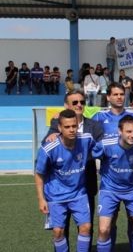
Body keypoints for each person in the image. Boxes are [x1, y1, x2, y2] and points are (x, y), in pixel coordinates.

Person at [43, 90, 104, 251]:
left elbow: (100, 149)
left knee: (85, 226)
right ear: (66, 106)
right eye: (74, 102)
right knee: (61, 228)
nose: (79, 105)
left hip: (85, 184)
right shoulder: (56, 124)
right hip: (61, 188)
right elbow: (47, 146)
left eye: (82, 102)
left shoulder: (94, 126)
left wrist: (80, 153)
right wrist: (57, 135)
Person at [92, 115, 133, 252]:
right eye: (129, 131)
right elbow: (89, 154)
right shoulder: (106, 145)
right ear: (119, 131)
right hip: (109, 190)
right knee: (103, 229)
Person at [35, 109, 95, 252]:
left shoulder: (86, 139)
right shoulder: (49, 147)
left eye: (74, 126)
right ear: (60, 128)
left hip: (78, 193)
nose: (71, 130)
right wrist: (41, 199)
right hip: (56, 196)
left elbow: (102, 148)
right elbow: (39, 174)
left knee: (86, 227)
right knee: (58, 232)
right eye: (67, 127)